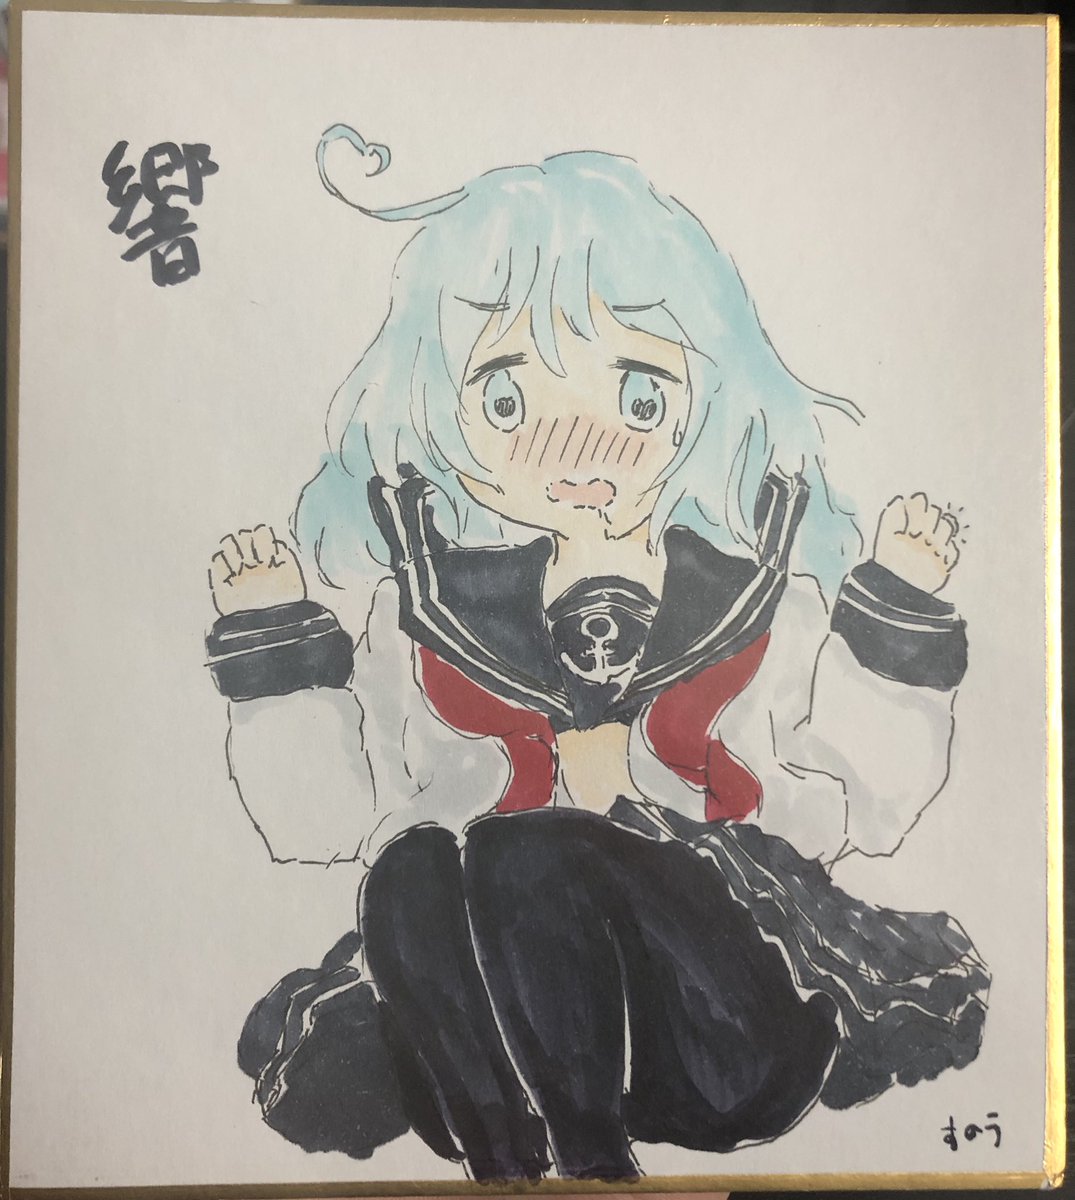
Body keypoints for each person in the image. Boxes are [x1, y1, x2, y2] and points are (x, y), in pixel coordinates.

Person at [205, 129, 988, 1182]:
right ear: (437, 410)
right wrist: (280, 659)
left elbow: (869, 803)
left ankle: (592, 1168)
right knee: (409, 871)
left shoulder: (756, 597)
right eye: (508, 400)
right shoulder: (421, 616)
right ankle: (511, 1164)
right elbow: (323, 826)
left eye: (637, 395)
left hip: (720, 1027)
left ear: (706, 393)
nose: (576, 446)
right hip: (502, 1049)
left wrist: (894, 614)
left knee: (530, 853)